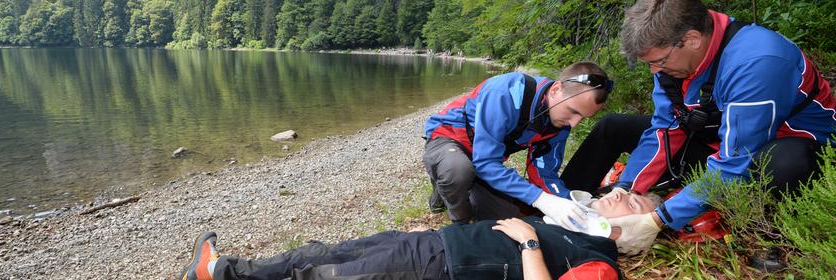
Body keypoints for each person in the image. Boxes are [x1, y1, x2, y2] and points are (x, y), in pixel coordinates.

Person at [559, 0, 835, 255]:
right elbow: (666, 129)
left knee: (785, 162)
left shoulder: (758, 62)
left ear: (692, 39)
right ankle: (562, 208)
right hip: (722, 142)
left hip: (797, 152)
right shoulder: (674, 62)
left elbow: (735, 162)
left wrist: (658, 219)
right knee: (615, 126)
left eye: (658, 61)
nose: (654, 71)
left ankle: (775, 239)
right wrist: (627, 187)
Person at [178, 190, 659, 280]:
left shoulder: (599, 262)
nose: (620, 193)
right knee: (324, 252)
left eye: (633, 201)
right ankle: (218, 269)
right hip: (433, 246)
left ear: (634, 228)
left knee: (326, 276)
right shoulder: (567, 219)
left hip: (440, 268)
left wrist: (529, 244)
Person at [422, 62, 614, 230]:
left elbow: (544, 173)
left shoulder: (559, 123)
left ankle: (456, 186)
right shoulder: (505, 93)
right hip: (448, 138)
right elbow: (486, 163)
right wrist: (540, 199)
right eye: (573, 111)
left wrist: (570, 203)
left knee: (514, 216)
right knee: (457, 170)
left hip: (483, 157)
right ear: (556, 89)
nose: (574, 124)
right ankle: (462, 223)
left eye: (583, 118)